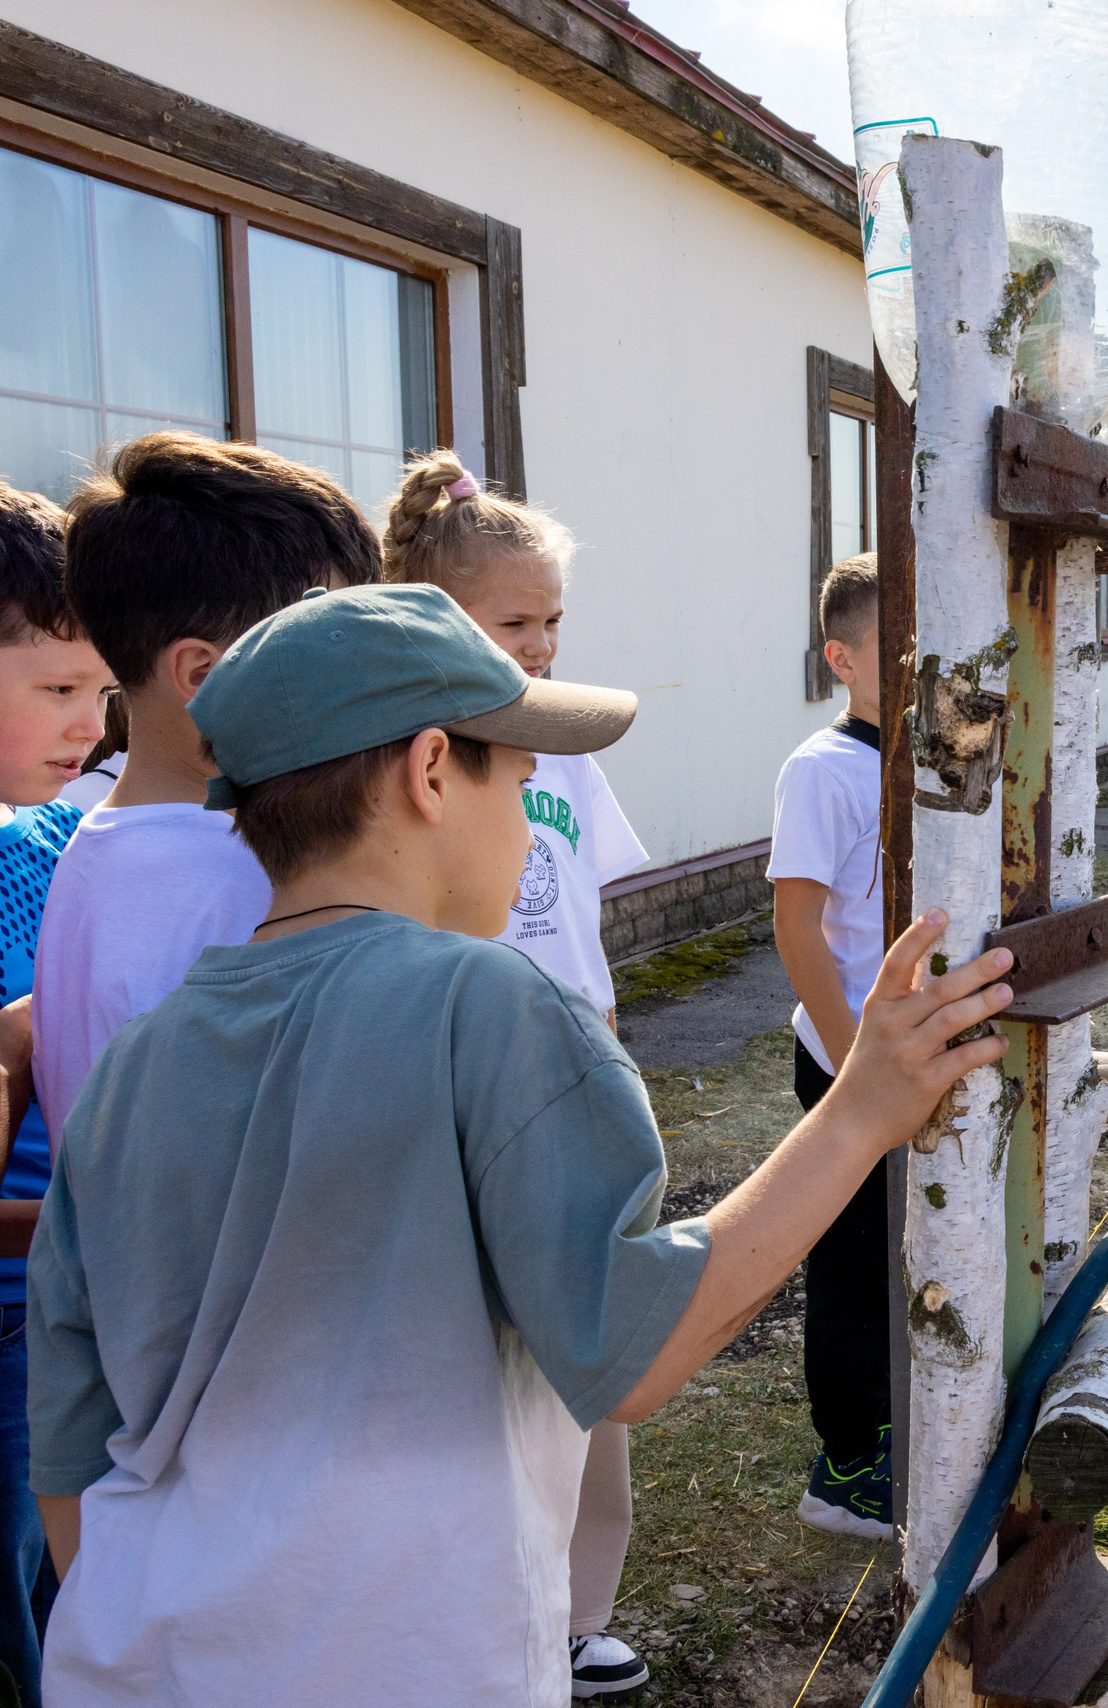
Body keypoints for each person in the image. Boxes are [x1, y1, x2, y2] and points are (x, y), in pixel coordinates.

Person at [25, 584, 1014, 1706]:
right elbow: (632, 1346)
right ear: (431, 771)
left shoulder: (134, 1064)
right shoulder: (484, 1002)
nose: (535, 815)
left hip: (130, 1657)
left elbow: (70, 1447)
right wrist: (862, 1109)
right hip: (406, 1663)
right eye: (525, 780)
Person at [380, 452, 651, 1697]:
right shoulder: (406, 761)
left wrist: (612, 1046)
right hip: (464, 1079)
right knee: (483, 1355)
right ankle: (486, 1602)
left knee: (586, 1345)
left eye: (552, 620)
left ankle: (580, 1612)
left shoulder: (567, 748)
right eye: (514, 622)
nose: (540, 646)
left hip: (575, 1063)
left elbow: (585, 921)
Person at [31, 432, 379, 1131]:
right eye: (333, 644)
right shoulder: (252, 880)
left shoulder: (101, 849)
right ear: (203, 675)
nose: (362, 678)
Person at [0, 484, 115, 1708]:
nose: (93, 722)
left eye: (102, 688)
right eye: (60, 687)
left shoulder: (55, 849)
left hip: (58, 1314)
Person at [767, 554, 893, 1537]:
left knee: (911, 1248)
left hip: (916, 1056)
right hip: (852, 1059)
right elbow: (799, 928)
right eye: (896, 646)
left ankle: (902, 1433)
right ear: (840, 658)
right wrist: (856, 1067)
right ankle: (845, 1470)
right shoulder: (823, 770)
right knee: (852, 1261)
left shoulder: (938, 760)